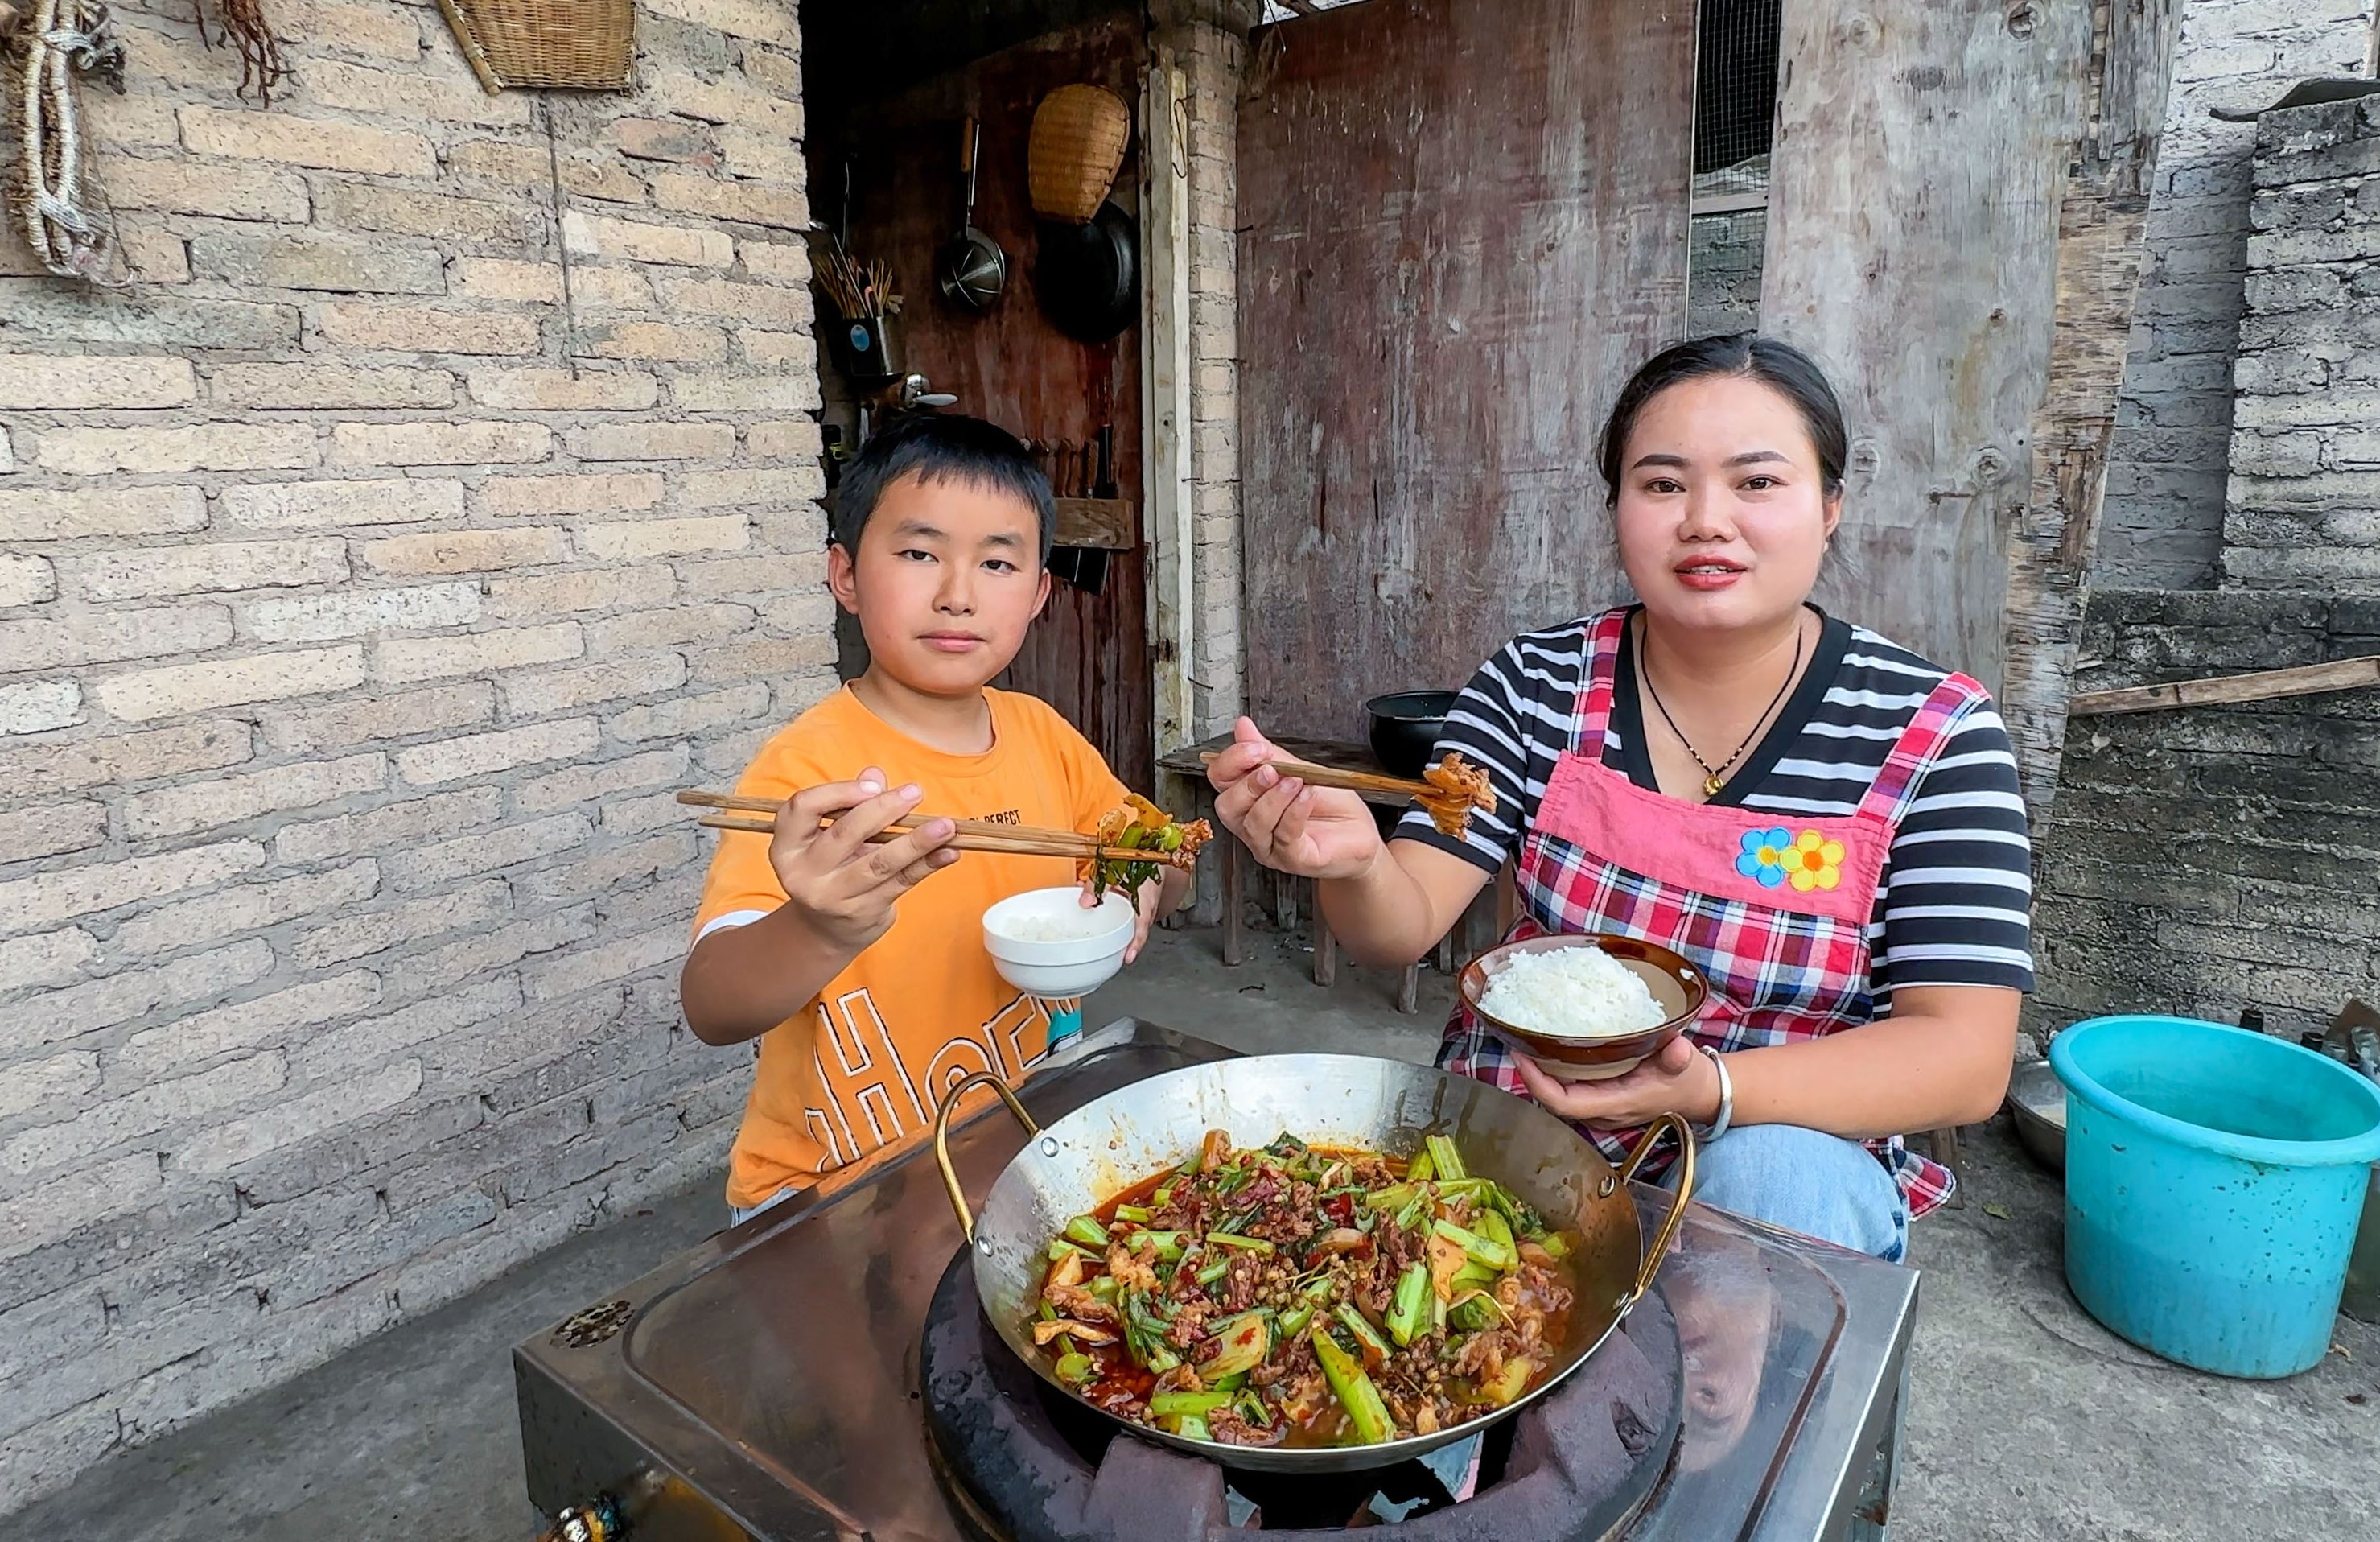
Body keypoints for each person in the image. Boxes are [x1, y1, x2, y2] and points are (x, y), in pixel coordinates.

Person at [1209, 333, 2032, 1261]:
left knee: (1776, 1179)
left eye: (1757, 482)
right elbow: (1396, 928)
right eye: (1662, 483)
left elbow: (1964, 1058)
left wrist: (1708, 1089)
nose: (1706, 520)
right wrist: (1355, 861)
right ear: (1617, 508)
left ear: (1830, 506)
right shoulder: (1535, 683)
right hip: (1523, 1117)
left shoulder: (1933, 733)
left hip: (1772, 1144)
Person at [681, 413, 1155, 1223]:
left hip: (1011, 1148)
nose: (958, 594)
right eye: (918, 552)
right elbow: (712, 1005)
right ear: (845, 575)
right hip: (831, 1197)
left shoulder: (1045, 737)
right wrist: (819, 929)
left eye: (998, 561)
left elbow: (1149, 846)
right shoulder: (807, 770)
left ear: (1038, 591)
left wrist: (1139, 884)